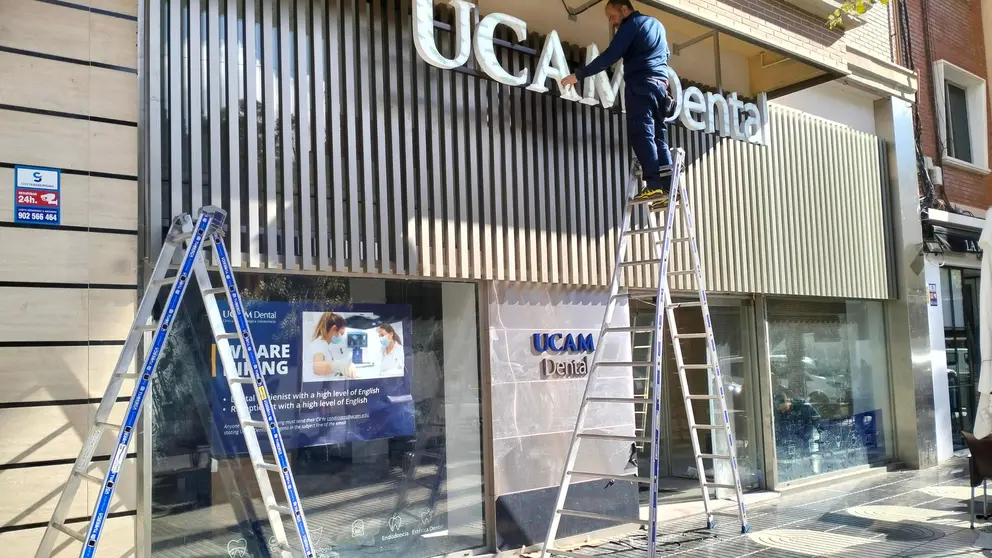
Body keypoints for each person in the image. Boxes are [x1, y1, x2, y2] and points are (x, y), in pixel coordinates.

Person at [562, 0, 674, 209]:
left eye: (612, 16)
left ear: (624, 9)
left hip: (641, 85)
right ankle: (667, 189)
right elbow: (665, 54)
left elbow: (610, 56)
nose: (613, 22)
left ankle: (653, 185)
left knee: (642, 134)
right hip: (660, 87)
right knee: (659, 137)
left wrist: (578, 76)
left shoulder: (632, 24)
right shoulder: (657, 25)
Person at [309, 312, 355, 378]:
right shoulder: (319, 344)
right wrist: (341, 365)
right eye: (340, 334)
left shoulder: (324, 344)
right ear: (333, 329)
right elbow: (317, 368)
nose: (340, 337)